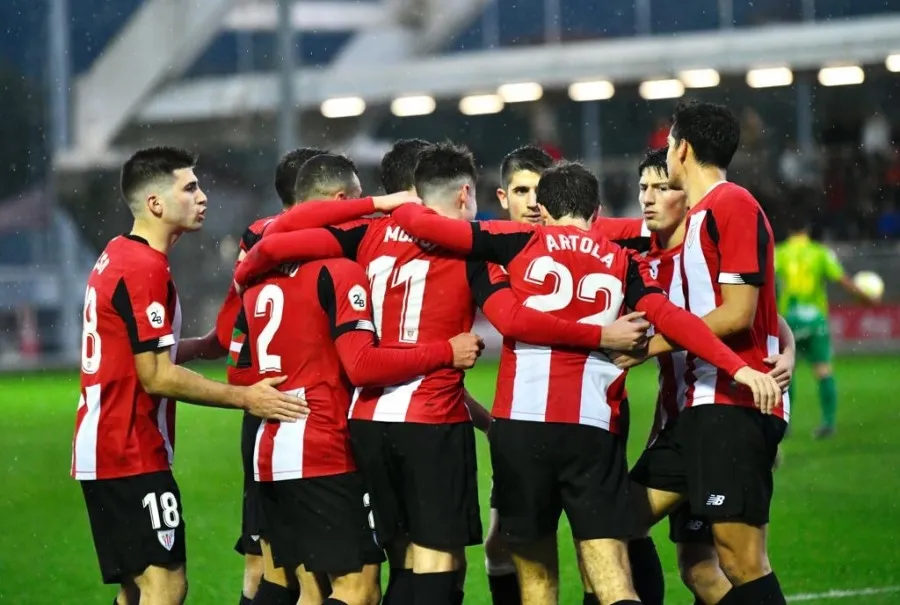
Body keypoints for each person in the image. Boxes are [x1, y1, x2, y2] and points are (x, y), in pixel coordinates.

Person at [234, 143, 651, 605]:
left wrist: (249, 268)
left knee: (399, 562)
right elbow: (511, 318)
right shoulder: (471, 247)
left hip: (368, 421)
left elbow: (275, 240)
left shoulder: (368, 234)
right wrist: (600, 335)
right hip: (431, 420)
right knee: (440, 563)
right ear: (466, 193)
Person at [388, 160, 781, 605]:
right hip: (594, 430)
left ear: (543, 209)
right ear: (597, 213)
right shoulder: (622, 259)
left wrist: (393, 203)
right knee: (613, 580)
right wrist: (739, 367)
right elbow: (675, 319)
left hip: (522, 427)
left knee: (537, 585)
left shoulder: (514, 240)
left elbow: (428, 228)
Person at [73, 147, 308, 605]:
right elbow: (156, 376)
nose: (202, 197)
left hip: (106, 445)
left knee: (137, 587)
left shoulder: (119, 253)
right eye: (190, 188)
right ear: (156, 203)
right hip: (128, 448)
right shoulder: (144, 268)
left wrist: (197, 346)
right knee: (165, 585)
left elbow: (129, 350)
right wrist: (246, 398)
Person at [243, 244, 484, 605]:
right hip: (321, 446)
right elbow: (362, 365)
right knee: (358, 591)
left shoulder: (257, 274)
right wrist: (446, 351)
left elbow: (236, 365)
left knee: (302, 586)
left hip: (271, 441)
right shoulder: (338, 270)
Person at [626, 101, 790, 605]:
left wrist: (652, 344)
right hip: (697, 411)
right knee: (617, 519)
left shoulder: (731, 204)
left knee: (739, 558)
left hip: (732, 404)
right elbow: (765, 315)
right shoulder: (698, 219)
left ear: (683, 149)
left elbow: (741, 313)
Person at [215, 145, 326, 605]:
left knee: (264, 560)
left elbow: (227, 332)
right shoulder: (327, 246)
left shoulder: (255, 239)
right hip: (307, 413)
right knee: (316, 573)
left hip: (259, 410)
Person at [775, 214, 878, 438]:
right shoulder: (819, 252)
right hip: (815, 321)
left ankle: (785, 423)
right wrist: (865, 298)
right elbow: (842, 280)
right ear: (807, 229)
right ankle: (828, 423)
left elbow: (766, 281)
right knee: (823, 369)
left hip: (789, 321)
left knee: (786, 371)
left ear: (788, 229)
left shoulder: (779, 253)